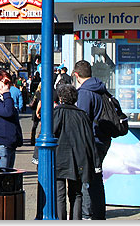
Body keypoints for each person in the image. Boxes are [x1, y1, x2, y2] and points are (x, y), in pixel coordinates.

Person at [52, 84, 100, 220]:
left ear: (61, 98)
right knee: (76, 194)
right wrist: (95, 162)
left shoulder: (56, 113)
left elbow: (48, 135)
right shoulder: (82, 115)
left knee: (59, 194)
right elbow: (89, 140)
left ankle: (60, 220)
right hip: (78, 159)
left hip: (59, 158)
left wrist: (37, 157)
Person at [71, 60, 110, 221]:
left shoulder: (85, 93)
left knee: (87, 180)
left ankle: (89, 215)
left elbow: (83, 120)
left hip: (91, 141)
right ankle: (99, 214)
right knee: (96, 179)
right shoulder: (100, 88)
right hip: (103, 138)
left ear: (76, 75)